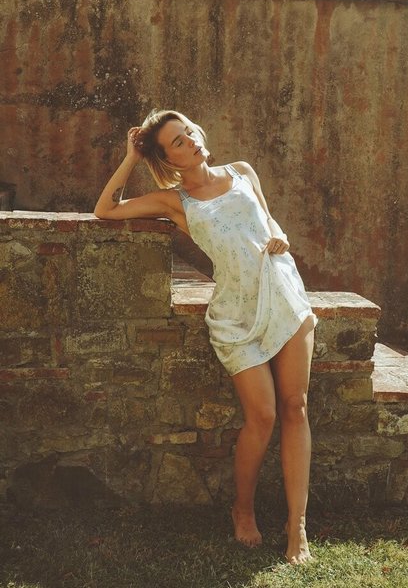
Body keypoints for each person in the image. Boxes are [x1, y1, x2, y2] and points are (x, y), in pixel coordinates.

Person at [94, 109, 318, 564]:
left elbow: (270, 223)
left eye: (189, 131)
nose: (191, 140)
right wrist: (132, 157)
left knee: (296, 407)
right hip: (235, 315)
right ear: (167, 158)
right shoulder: (174, 201)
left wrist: (282, 237)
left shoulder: (242, 171)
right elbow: (106, 210)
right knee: (263, 417)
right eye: (177, 141)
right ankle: (243, 509)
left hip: (284, 296)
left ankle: (297, 526)